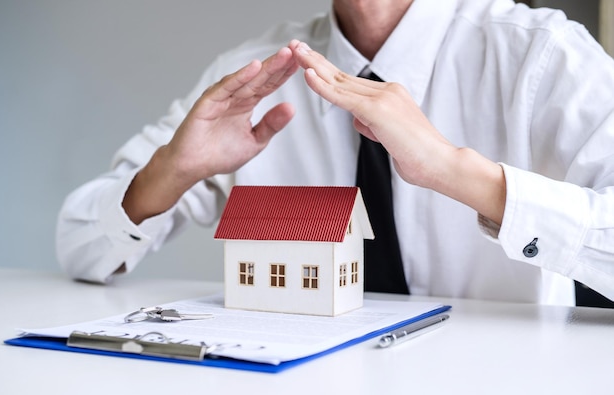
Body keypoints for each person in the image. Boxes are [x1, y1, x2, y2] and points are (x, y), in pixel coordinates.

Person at [57, 0, 614, 305]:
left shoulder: (544, 56)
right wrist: (173, 169)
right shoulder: (252, 75)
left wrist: (451, 170)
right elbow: (80, 249)